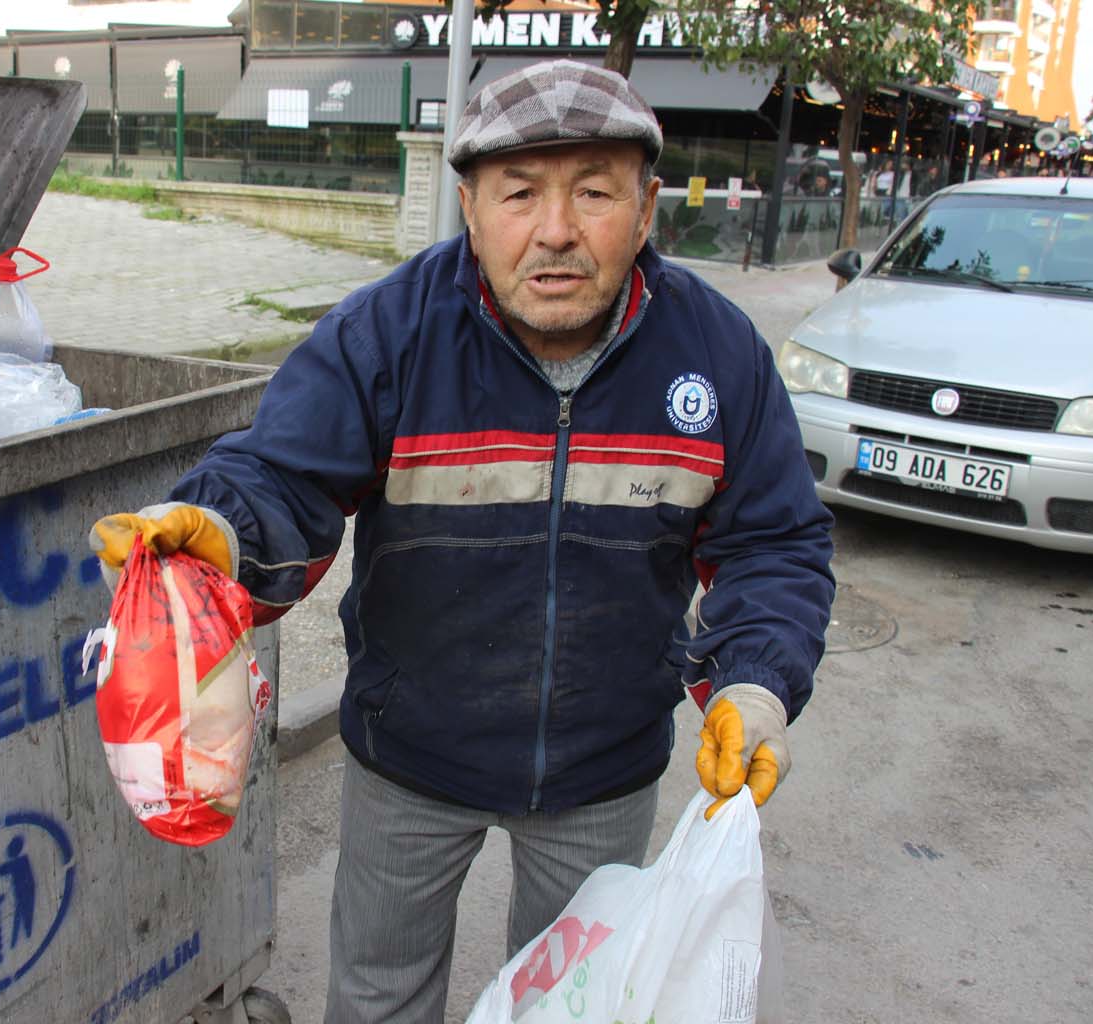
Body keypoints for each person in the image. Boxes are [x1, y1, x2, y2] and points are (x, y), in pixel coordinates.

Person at [90, 59, 835, 1022]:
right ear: (472, 209)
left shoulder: (718, 353)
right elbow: (283, 473)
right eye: (520, 193)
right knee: (378, 996)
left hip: (601, 765)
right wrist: (219, 533)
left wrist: (753, 682)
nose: (557, 231)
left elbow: (772, 543)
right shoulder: (387, 335)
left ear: (646, 211)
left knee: (577, 1001)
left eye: (595, 192)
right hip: (410, 753)